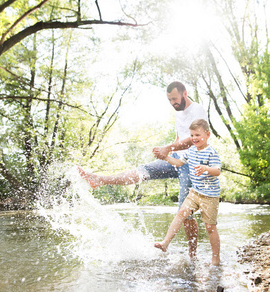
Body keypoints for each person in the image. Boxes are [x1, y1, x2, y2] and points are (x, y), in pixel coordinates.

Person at [78, 81, 207, 258]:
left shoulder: (197, 110)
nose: (172, 103)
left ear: (185, 94)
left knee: (185, 211)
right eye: (169, 100)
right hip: (176, 159)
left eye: (175, 99)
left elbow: (195, 139)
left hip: (192, 164)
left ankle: (193, 256)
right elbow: (179, 137)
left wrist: (167, 148)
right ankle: (100, 180)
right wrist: (168, 151)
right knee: (143, 170)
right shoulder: (178, 112)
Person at [154, 119, 221, 266]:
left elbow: (217, 171)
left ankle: (215, 259)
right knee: (181, 213)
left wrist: (206, 169)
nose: (194, 138)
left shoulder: (211, 152)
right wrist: (165, 157)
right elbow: (179, 163)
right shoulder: (190, 151)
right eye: (192, 135)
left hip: (210, 196)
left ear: (208, 134)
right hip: (195, 192)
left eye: (197, 135)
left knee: (210, 227)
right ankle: (165, 243)